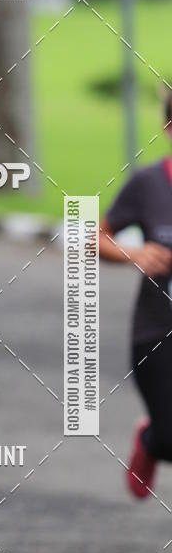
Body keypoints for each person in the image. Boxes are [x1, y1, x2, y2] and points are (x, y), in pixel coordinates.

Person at [99, 92, 172, 498]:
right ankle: (150, 441)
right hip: (157, 333)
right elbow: (93, 238)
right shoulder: (148, 185)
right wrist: (135, 252)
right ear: (168, 129)